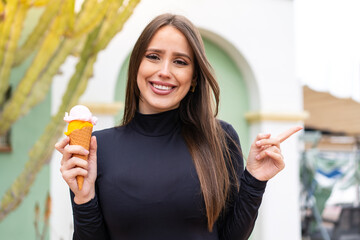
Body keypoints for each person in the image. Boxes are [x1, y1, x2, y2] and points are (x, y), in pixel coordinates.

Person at [55, 13, 302, 240]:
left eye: (180, 62)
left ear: (194, 78)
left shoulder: (220, 140)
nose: (164, 71)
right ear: (137, 66)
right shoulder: (97, 148)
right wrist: (83, 197)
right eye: (153, 57)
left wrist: (255, 180)